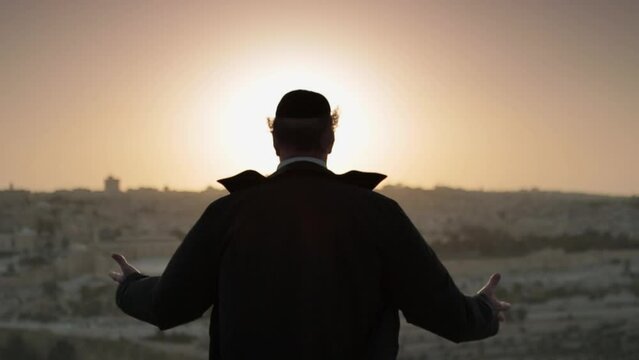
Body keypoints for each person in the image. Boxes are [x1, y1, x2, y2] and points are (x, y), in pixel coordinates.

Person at [110, 89, 510, 360]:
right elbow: (445, 315)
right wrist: (485, 311)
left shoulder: (229, 214)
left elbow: (168, 305)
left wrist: (131, 285)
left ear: (274, 142)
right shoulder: (377, 214)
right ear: (329, 139)